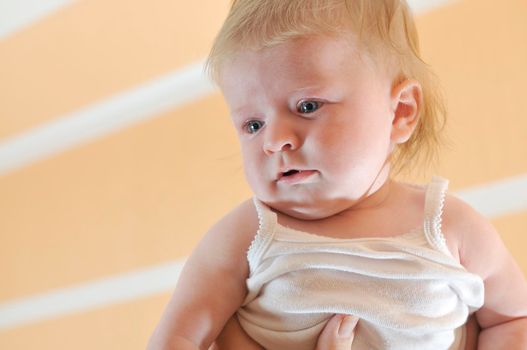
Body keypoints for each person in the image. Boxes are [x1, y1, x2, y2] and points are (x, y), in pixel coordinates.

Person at [147, 0, 527, 349]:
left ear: (400, 113)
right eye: (252, 125)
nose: (275, 141)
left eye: (307, 105)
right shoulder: (248, 235)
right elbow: (177, 337)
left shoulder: (453, 228)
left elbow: (513, 319)